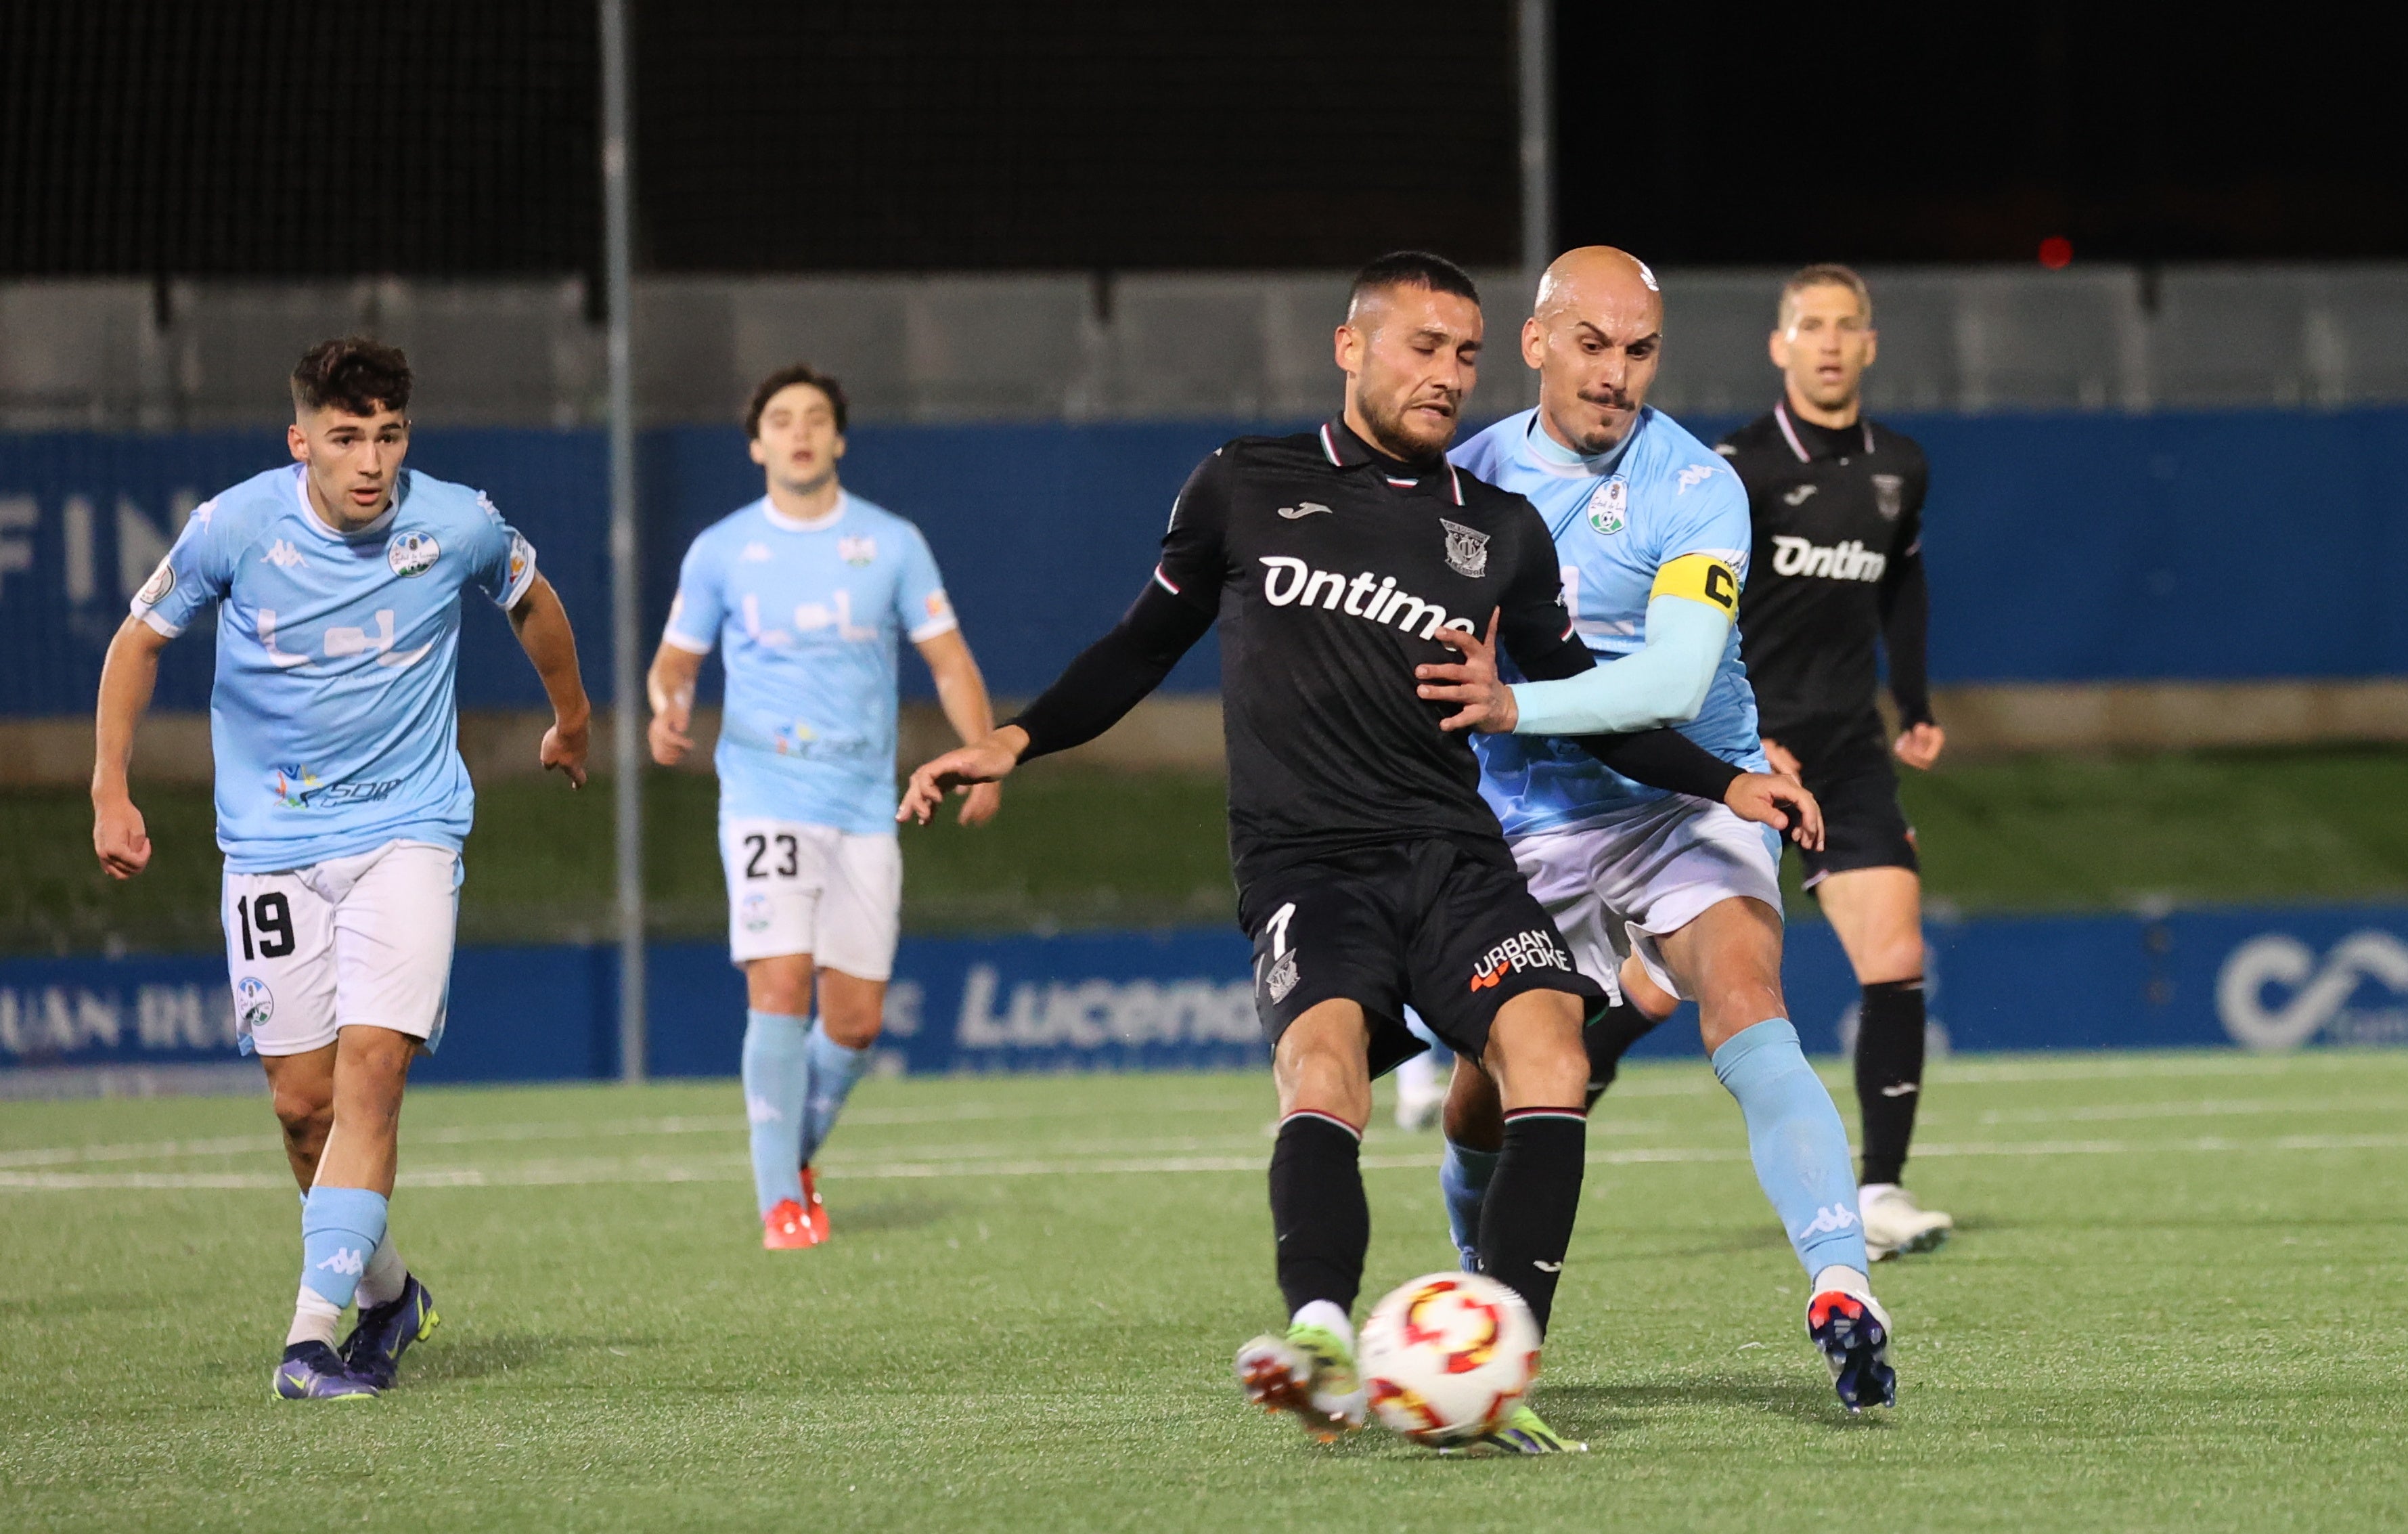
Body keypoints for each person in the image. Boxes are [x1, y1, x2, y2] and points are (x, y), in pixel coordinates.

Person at [897, 251, 1820, 1452]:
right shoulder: (1244, 483)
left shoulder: (1496, 531)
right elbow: (1139, 647)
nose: (1445, 376)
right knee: (1322, 1065)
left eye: (1463, 356)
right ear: (1351, 347)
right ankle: (1321, 1335)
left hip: (1455, 858)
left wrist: (1729, 779)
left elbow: (1588, 699)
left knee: (1548, 1051)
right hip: (1305, 862)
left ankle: (1499, 1353)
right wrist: (1013, 738)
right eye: (1420, 348)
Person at [1415, 247, 1896, 1412]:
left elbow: (1677, 680)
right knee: (1498, 1090)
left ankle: (1842, 1281)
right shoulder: (1461, 481)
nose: (1616, 375)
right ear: (1535, 343)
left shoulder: (1694, 485)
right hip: (1526, 818)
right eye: (1592, 345)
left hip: (1687, 797)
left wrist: (1520, 703)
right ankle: (1480, 1275)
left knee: (1748, 996)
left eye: (1639, 352)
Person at [90, 338, 592, 1399]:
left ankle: (308, 1341)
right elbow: (137, 643)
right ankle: (387, 1294)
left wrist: (573, 719)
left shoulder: (452, 521)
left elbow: (531, 598)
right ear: (302, 439)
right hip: (269, 848)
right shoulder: (235, 525)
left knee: (373, 1073)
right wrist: (109, 786)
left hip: (407, 832)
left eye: (389, 436)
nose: (370, 461)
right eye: (347, 436)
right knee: (303, 1108)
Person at [647, 364, 1000, 1250]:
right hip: (765, 794)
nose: (798, 432)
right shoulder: (723, 548)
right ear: (756, 443)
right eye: (779, 418)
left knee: (855, 1019)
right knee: (778, 984)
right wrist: (668, 704)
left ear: (838, 438)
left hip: (861, 805)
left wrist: (985, 755)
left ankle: (790, 1153)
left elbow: (949, 661)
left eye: (814, 418)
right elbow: (676, 660)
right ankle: (780, 1205)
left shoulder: (889, 542)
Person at [1715, 264, 1952, 1257]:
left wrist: (1917, 703)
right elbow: (1695, 607)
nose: (1825, 341)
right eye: (1807, 324)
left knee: (1895, 955)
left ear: (1867, 345)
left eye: (1843, 325)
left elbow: (1900, 582)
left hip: (1848, 744)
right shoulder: (1736, 468)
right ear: (1779, 345)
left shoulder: (1901, 465)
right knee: (1652, 987)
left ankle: (1881, 1189)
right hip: (1738, 747)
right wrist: (1725, 728)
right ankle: (1523, 1126)